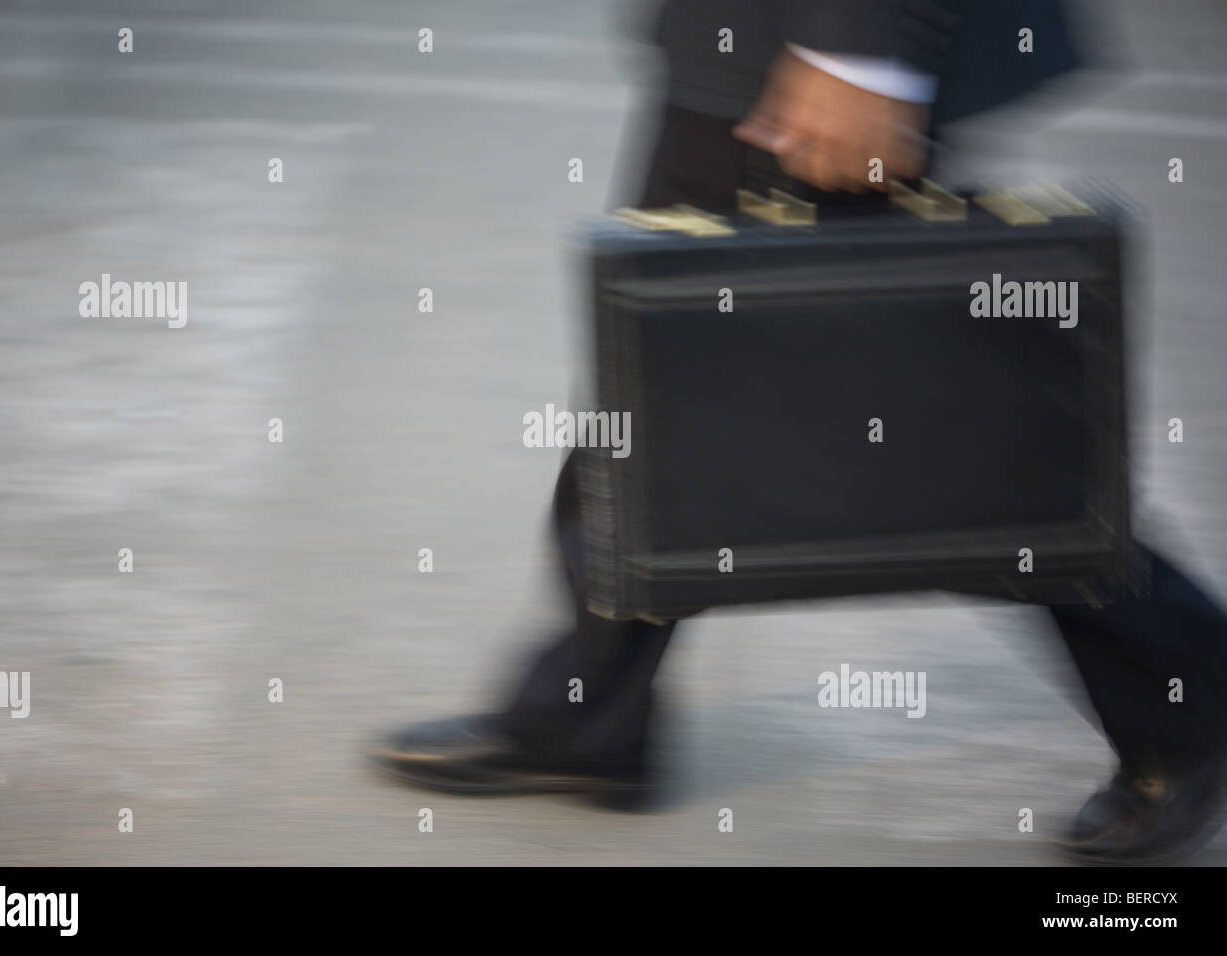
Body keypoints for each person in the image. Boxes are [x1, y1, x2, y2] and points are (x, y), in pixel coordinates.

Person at [371, 0, 1227, 864]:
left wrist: (861, 50)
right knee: (673, 362)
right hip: (756, 33)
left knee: (925, 419)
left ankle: (1192, 690)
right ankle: (582, 708)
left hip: (813, 36)